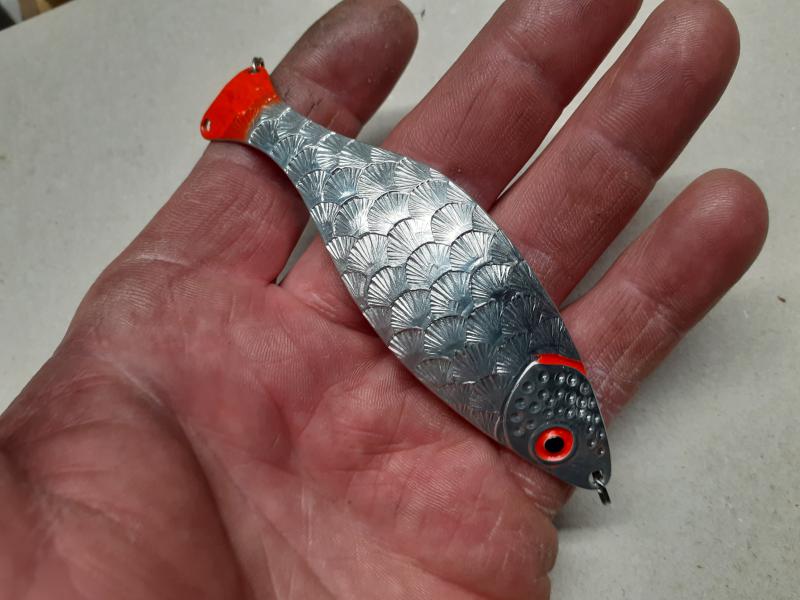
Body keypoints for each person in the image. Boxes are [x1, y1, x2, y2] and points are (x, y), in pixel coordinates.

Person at [0, 0, 767, 598]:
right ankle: (260, 119)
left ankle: (262, 117)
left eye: (557, 448)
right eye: (555, 446)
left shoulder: (525, 391)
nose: (553, 450)